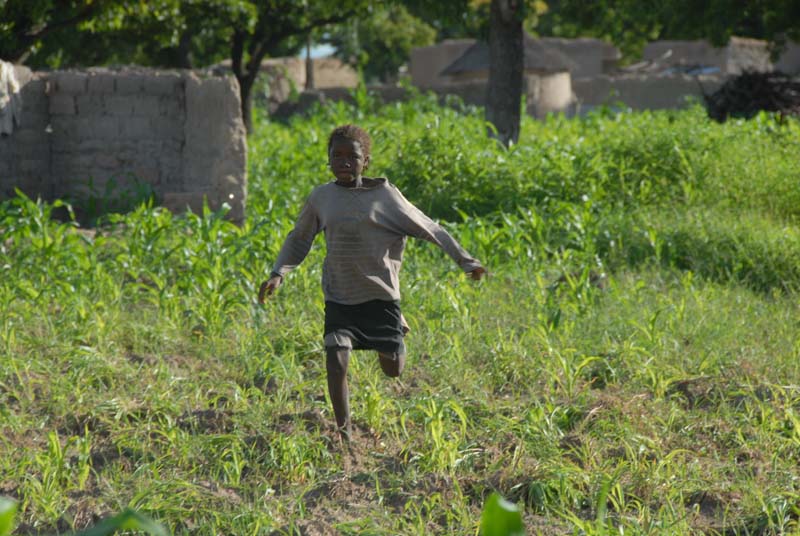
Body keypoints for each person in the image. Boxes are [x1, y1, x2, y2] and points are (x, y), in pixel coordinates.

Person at [259, 124, 486, 443]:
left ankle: (397, 335)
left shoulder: (385, 197)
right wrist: (278, 273)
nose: (344, 162)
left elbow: (429, 228)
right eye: (336, 156)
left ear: (366, 160)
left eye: (351, 156)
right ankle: (344, 435)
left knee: (393, 368)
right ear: (328, 161)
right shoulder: (322, 198)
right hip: (340, 295)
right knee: (336, 358)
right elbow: (299, 239)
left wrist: (466, 260)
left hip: (380, 297)